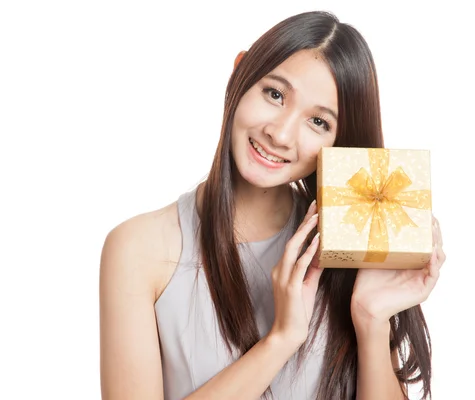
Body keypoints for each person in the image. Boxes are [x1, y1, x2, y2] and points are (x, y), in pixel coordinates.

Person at [99, 10, 446, 400]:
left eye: (318, 123)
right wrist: (281, 340)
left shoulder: (344, 244)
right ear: (239, 74)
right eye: (275, 94)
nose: (280, 134)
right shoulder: (137, 248)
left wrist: (371, 319)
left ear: (339, 144)